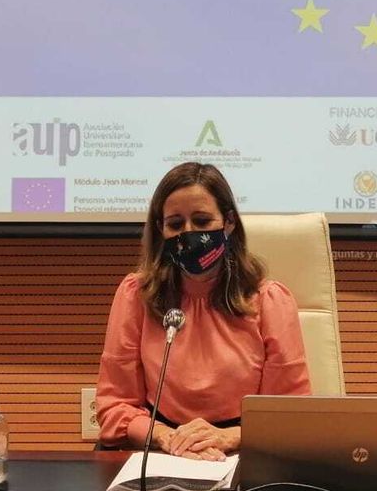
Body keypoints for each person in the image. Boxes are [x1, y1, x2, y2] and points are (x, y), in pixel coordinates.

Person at [96, 162, 311, 460]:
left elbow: (289, 415)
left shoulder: (269, 301)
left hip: (243, 450)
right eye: (175, 224)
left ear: (229, 222)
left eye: (201, 221)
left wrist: (226, 438)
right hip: (162, 448)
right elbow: (115, 407)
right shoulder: (137, 295)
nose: (188, 234)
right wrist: (170, 439)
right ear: (161, 229)